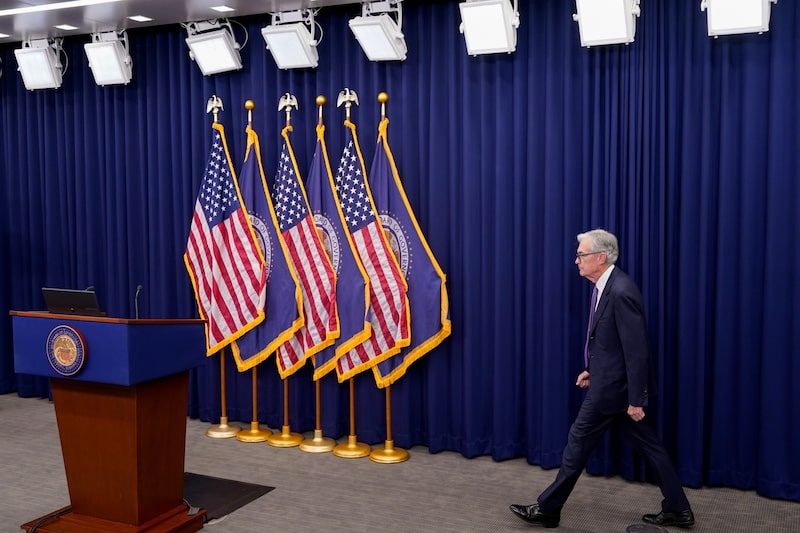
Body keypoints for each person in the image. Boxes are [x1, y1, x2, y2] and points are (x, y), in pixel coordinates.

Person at [510, 229, 694, 529]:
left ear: (601, 257)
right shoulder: (604, 288)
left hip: (613, 393)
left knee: (576, 444)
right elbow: (612, 345)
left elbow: (637, 352)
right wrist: (593, 370)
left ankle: (548, 508)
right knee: (651, 447)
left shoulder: (621, 291)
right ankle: (678, 508)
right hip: (612, 385)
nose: (576, 261)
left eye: (581, 255)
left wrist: (636, 399)